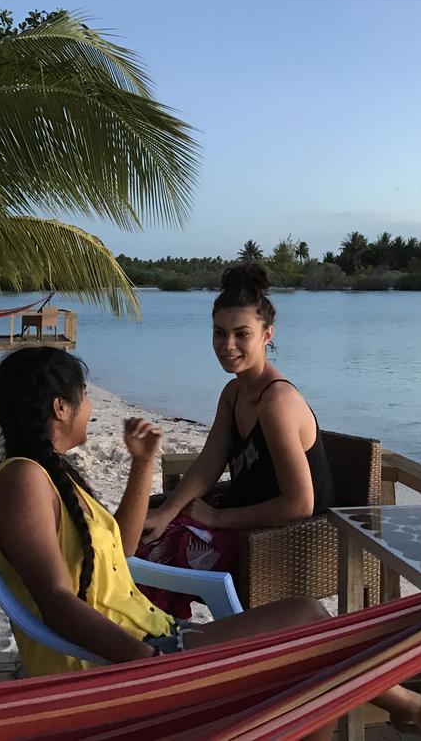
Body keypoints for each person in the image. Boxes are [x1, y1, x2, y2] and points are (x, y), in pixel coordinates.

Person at [0, 347, 421, 740]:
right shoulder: (24, 482)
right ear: (59, 407)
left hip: (156, 638)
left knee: (308, 625)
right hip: (119, 663)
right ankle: (412, 709)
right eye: (85, 395)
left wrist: (143, 464)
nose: (92, 408)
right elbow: (54, 599)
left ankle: (410, 709)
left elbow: (124, 551)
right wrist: (145, 665)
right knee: (309, 650)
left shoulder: (49, 476)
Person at [137, 263, 334, 615]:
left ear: (267, 335)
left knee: (159, 553)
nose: (227, 346)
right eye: (219, 333)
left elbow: (300, 505)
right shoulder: (233, 393)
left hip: (284, 537)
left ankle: (179, 643)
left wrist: (216, 519)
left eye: (242, 334)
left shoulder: (277, 402)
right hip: (242, 517)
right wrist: (167, 512)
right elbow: (210, 462)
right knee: (138, 529)